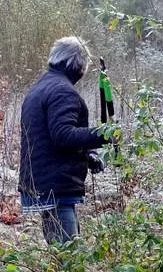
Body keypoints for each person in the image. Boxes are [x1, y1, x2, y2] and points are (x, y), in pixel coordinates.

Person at [18, 37, 112, 244]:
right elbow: (63, 135)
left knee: (61, 251)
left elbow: (51, 135)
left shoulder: (41, 86)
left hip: (44, 182)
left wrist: (90, 154)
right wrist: (105, 134)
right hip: (56, 186)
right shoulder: (62, 91)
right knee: (69, 255)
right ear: (77, 65)